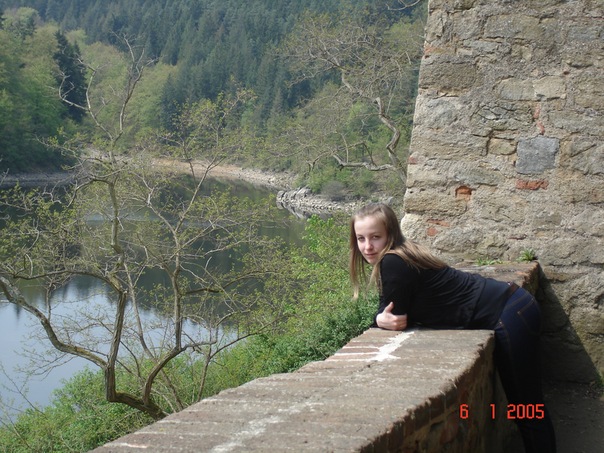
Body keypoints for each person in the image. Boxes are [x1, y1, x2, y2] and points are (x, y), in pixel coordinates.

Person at [349, 203, 556, 453]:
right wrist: (381, 316)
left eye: (375, 237)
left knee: (527, 409)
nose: (367, 247)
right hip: (515, 305)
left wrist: (379, 318)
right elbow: (391, 308)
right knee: (526, 408)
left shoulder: (393, 261)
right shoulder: (403, 254)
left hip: (509, 312)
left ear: (390, 234)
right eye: (361, 239)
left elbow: (395, 317)